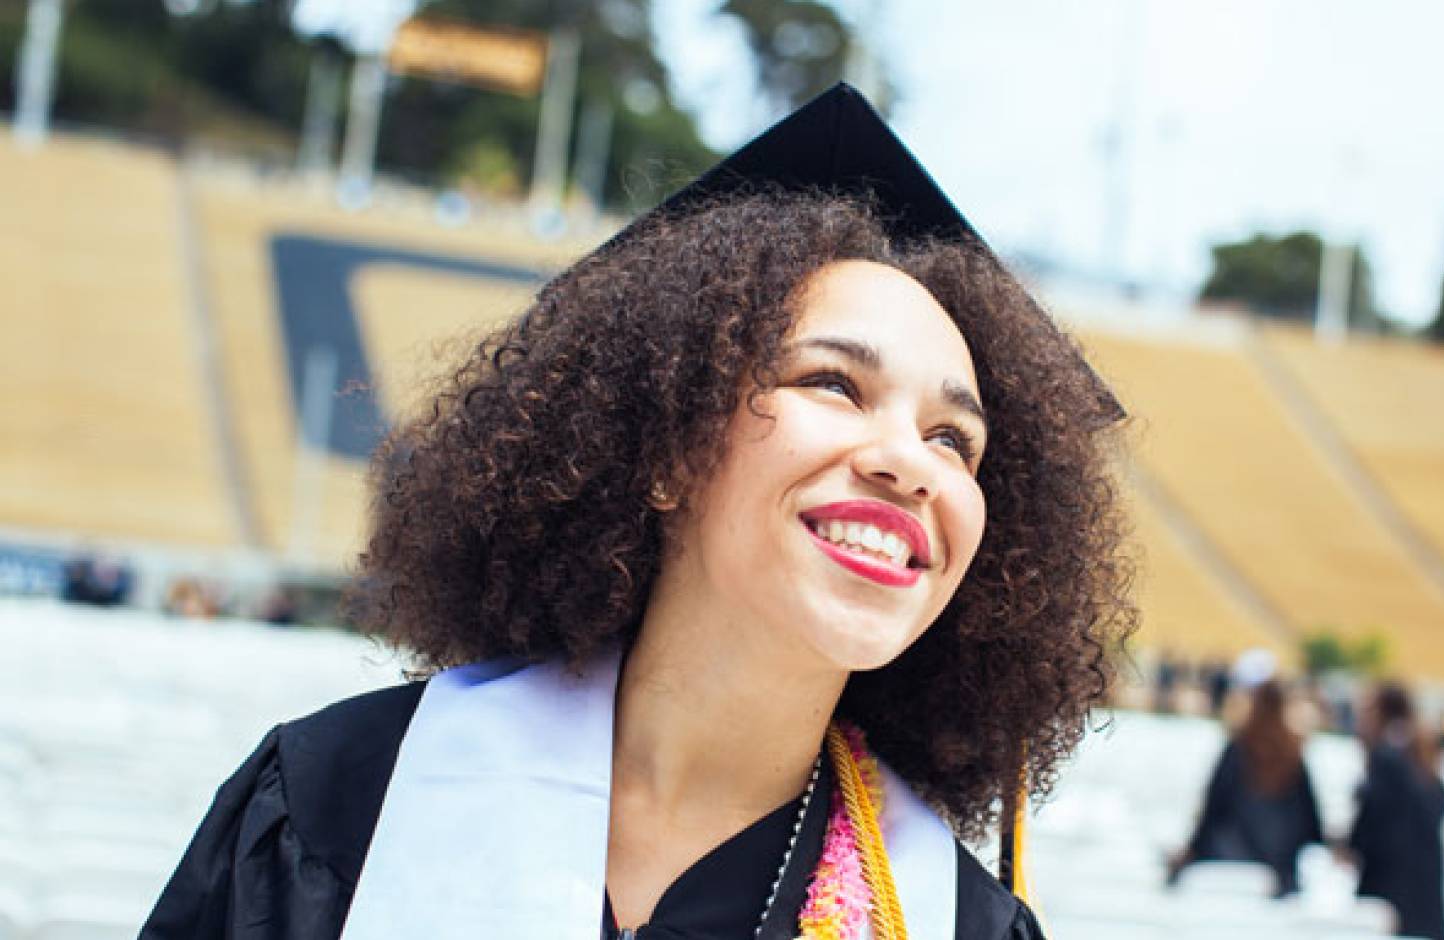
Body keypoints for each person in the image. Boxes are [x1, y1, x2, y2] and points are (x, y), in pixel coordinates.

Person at [140, 84, 1134, 940]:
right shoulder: (339, 802)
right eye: (834, 382)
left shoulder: (950, 919)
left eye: (954, 440)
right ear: (665, 443)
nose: (909, 464)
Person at [1166, 656, 1324, 896]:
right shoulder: (1293, 755)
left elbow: (1214, 807)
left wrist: (1192, 850)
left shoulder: (1239, 749)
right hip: (1277, 872)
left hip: (1228, 867)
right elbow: (1310, 822)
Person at [1347, 681, 1444, 940]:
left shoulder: (1387, 757)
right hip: (1422, 890)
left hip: (1391, 889)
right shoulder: (1416, 749)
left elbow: (1372, 823)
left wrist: (1351, 846)